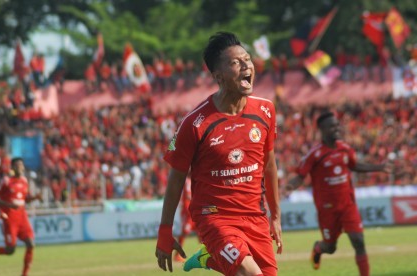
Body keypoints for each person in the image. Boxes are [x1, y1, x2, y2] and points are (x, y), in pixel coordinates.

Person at [155, 31, 282, 276]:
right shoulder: (195, 123)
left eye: (247, 59)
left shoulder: (266, 110)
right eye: (235, 62)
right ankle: (215, 253)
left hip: (255, 217)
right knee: (251, 274)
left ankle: (211, 259)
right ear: (218, 76)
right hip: (215, 217)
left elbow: (269, 166)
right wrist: (164, 231)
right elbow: (176, 180)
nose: (246, 65)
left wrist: (275, 216)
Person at [285, 111, 393, 276]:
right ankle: (318, 248)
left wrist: (379, 167)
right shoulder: (315, 154)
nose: (336, 129)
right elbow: (300, 175)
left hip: (348, 205)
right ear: (322, 130)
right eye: (331, 126)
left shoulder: (345, 149)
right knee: (330, 247)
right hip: (327, 209)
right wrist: (287, 188)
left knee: (358, 241)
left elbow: (355, 165)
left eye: (337, 125)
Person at [0, 157, 42, 276]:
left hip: (22, 217)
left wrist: (36, 198)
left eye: (21, 165)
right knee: (11, 250)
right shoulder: (6, 181)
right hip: (10, 219)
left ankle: (25, 274)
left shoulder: (24, 181)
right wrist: (9, 205)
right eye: (17, 165)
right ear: (12, 168)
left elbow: (25, 199)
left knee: (31, 244)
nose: (20, 167)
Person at [173, 177, 195, 262]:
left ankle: (208, 254)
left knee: (201, 232)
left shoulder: (189, 180)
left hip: (191, 210)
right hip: (188, 210)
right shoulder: (188, 181)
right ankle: (177, 255)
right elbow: (189, 195)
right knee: (185, 231)